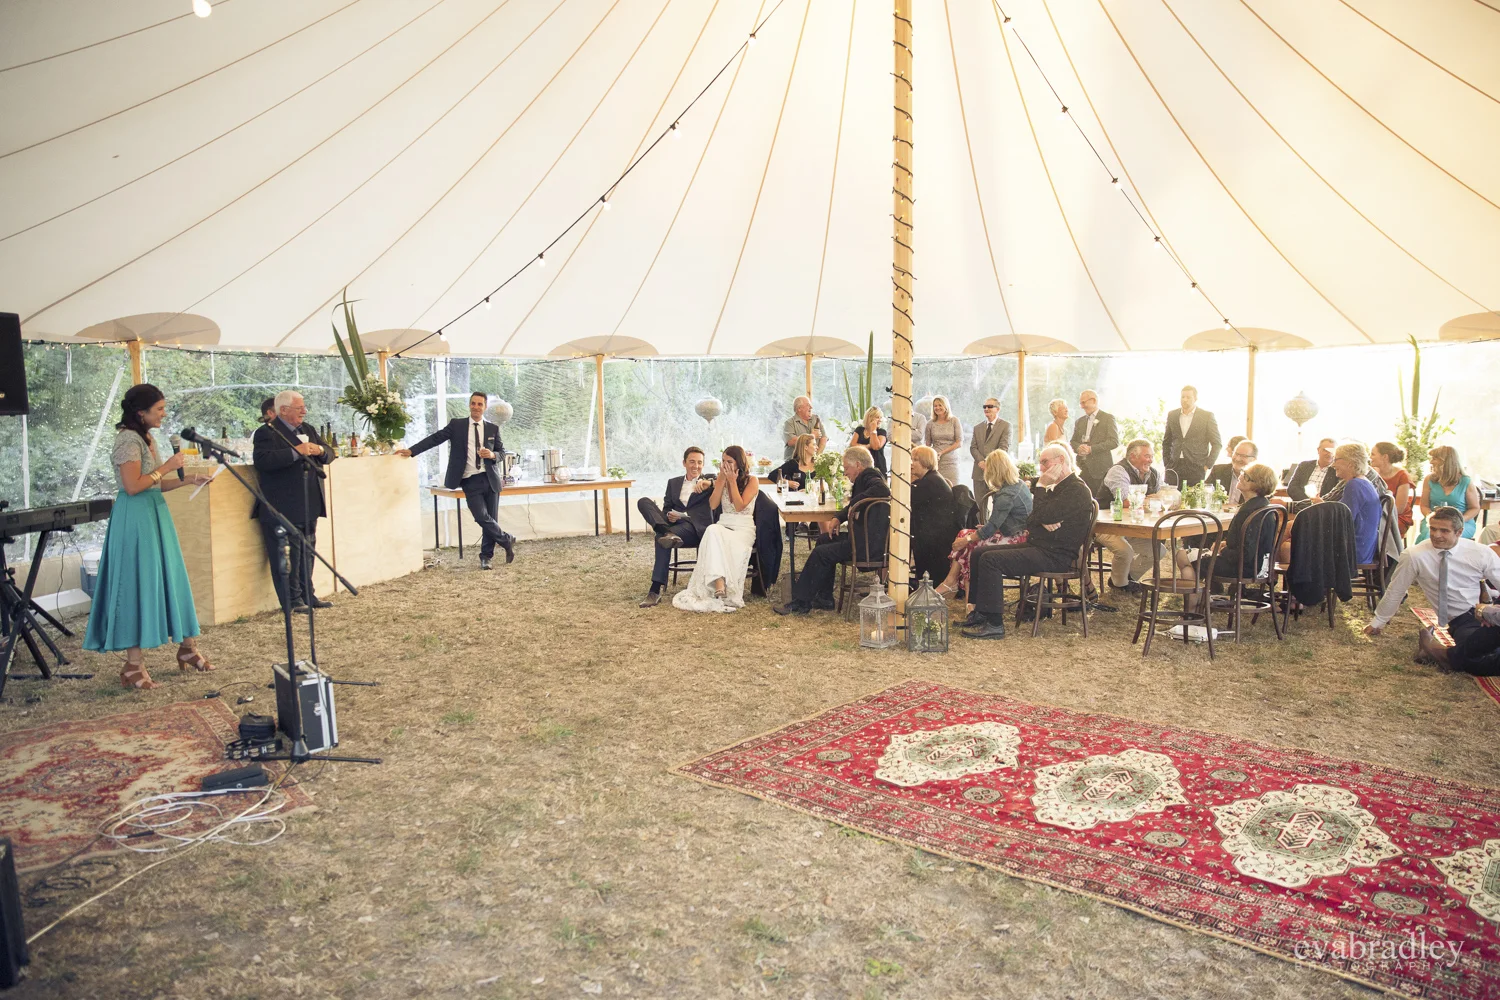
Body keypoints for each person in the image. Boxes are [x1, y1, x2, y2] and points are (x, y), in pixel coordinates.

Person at [84, 384, 215, 689]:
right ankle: (133, 666)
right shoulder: (127, 441)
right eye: (159, 409)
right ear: (140, 412)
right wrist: (168, 466)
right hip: (135, 518)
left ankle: (187, 648)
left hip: (155, 512)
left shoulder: (146, 437)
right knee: (137, 583)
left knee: (172, 576)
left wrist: (187, 481)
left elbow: (152, 484)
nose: (164, 413)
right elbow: (133, 486)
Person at [960, 444, 1095, 639]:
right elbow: (1031, 519)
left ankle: (995, 624)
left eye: (1045, 462)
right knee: (979, 552)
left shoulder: (1076, 489)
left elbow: (1039, 514)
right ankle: (980, 612)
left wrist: (1040, 488)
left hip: (1055, 555)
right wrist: (1042, 519)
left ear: (1061, 461)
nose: (1041, 468)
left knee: (991, 560)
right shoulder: (1058, 488)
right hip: (1039, 546)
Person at [1366, 507, 1500, 673]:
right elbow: (1396, 589)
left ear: (1459, 532)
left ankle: (1433, 650)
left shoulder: (1480, 552)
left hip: (1491, 612)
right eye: (1433, 529)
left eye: (1444, 531)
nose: (1436, 535)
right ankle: (1437, 650)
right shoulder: (1415, 555)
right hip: (1464, 619)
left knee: (1480, 655)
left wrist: (1493, 612)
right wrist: (1378, 621)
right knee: (1477, 659)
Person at [396, 391, 515, 569]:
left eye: (479, 404)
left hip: (490, 479)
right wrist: (413, 451)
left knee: (491, 519)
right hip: (469, 480)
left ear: (485, 407)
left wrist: (491, 454)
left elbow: (502, 453)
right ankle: (507, 540)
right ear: (469, 405)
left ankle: (486, 557)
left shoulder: (492, 428)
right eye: (473, 403)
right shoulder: (457, 425)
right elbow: (435, 439)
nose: (476, 407)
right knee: (481, 517)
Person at [774, 447, 889, 615]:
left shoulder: (871, 476)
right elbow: (854, 504)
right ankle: (825, 598)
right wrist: (839, 517)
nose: (845, 473)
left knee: (821, 553)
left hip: (866, 546)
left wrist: (855, 503)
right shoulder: (868, 477)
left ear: (858, 465)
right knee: (824, 538)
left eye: (847, 468)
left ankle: (801, 602)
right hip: (864, 540)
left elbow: (883, 490)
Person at [252, 390, 337, 611]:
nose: (305, 411)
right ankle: (292, 601)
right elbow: (263, 461)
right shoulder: (267, 433)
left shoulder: (307, 429)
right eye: (300, 408)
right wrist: (296, 451)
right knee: (288, 553)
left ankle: (309, 595)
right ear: (283, 410)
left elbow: (329, 453)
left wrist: (319, 449)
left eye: (304, 407)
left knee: (307, 550)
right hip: (281, 505)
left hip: (309, 500)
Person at [936, 448, 1032, 604]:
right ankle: (953, 583)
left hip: (1017, 540)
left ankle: (963, 595)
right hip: (1015, 533)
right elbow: (997, 524)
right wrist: (969, 536)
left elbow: (992, 527)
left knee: (970, 544)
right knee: (964, 534)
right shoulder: (1017, 484)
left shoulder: (1007, 494)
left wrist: (967, 539)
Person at [673, 446, 759, 613]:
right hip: (724, 524)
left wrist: (732, 482)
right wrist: (721, 481)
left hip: (743, 528)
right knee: (712, 530)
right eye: (723, 461)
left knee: (714, 532)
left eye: (729, 462)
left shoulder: (752, 481)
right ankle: (719, 582)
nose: (725, 465)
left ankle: (722, 583)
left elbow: (740, 506)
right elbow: (713, 505)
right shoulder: (721, 478)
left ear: (739, 463)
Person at [1173, 463, 1281, 588]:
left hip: (1243, 568)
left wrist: (1222, 550)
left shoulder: (1248, 511)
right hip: (1261, 565)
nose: (1240, 476)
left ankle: (1196, 604)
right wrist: (1226, 545)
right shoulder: (1264, 506)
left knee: (1182, 557)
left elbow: (1245, 553)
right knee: (1184, 554)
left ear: (1256, 484)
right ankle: (1203, 601)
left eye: (1245, 475)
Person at [635, 446, 716, 607]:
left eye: (700, 463)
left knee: (660, 538)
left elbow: (722, 481)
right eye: (692, 462)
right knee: (643, 501)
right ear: (684, 463)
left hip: (694, 527)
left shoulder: (709, 480)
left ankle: (655, 590)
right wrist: (669, 516)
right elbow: (666, 509)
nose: (696, 466)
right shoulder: (673, 483)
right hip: (674, 526)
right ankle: (666, 532)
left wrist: (708, 482)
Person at [1097, 439, 1167, 593]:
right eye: (1147, 456)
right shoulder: (1118, 470)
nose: (1150, 460)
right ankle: (1120, 585)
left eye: (1151, 456)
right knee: (1125, 551)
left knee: (1159, 550)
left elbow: (1166, 496)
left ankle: (1125, 578)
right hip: (1107, 525)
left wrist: (1158, 498)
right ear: (1132, 456)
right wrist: (1153, 498)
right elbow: (1126, 501)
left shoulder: (1154, 473)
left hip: (1133, 526)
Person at [1303, 442, 1380, 566]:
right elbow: (1342, 514)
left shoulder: (1355, 485)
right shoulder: (1363, 483)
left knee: (1291, 543)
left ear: (1350, 463)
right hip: (1362, 549)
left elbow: (1341, 521)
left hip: (1352, 550)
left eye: (1336, 459)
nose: (1333, 464)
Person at [909, 446, 960, 584]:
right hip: (934, 534)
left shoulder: (930, 482)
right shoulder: (930, 478)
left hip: (936, 539)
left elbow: (906, 500)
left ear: (926, 462)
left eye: (915, 460)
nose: (911, 463)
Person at [1415, 444, 1480, 543]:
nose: (1431, 461)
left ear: (1445, 461)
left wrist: (1460, 520)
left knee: (1449, 535)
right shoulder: (1429, 479)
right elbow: (1424, 506)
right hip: (1435, 521)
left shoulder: (1465, 481)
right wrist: (1431, 517)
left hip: (1461, 522)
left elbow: (1474, 508)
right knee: (1428, 536)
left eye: (1434, 458)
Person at [1160, 386, 1220, 487]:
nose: (1185, 400)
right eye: (1182, 397)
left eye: (1188, 397)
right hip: (1174, 466)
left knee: (1193, 499)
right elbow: (1167, 441)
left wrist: (1207, 465)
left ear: (1195, 399)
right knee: (1171, 498)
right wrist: (1167, 463)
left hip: (1196, 467)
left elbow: (1217, 443)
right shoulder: (1172, 415)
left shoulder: (1206, 416)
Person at [1069, 390, 1119, 496]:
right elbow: (1072, 442)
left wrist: (1091, 449)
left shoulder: (1107, 418)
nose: (1081, 406)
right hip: (1081, 469)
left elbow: (1114, 442)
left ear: (1093, 401)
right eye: (1080, 403)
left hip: (1099, 470)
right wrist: (1079, 447)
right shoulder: (1080, 421)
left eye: (1083, 402)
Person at [969, 397, 1011, 509]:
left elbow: (1003, 447)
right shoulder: (977, 428)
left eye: (990, 406)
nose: (986, 409)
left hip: (996, 472)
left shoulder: (1005, 426)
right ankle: (982, 526)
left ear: (997, 409)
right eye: (985, 407)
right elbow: (973, 447)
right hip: (979, 472)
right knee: (979, 506)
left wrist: (988, 462)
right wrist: (981, 461)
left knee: (999, 505)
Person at [1371, 441, 1415, 536]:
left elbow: (1399, 509)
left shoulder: (1402, 475)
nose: (1370, 457)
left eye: (1373, 454)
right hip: (1377, 513)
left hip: (1396, 516)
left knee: (1373, 527)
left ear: (1385, 457)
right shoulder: (1372, 473)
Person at [923, 395, 963, 485]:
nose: (937, 408)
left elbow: (959, 443)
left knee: (953, 488)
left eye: (940, 405)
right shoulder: (930, 423)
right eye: (935, 406)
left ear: (946, 406)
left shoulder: (954, 421)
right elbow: (927, 444)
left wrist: (942, 452)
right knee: (936, 488)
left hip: (951, 461)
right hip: (936, 462)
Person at [1209, 439, 1259, 504]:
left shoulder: (1258, 478)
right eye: (1236, 454)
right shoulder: (1218, 471)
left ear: (1253, 459)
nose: (1237, 459)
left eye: (1243, 456)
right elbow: (1204, 490)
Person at [782, 397, 827, 461]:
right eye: (808, 405)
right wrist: (812, 436)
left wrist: (816, 457)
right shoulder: (789, 423)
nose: (811, 407)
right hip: (794, 462)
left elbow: (824, 438)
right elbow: (791, 441)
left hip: (813, 462)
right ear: (799, 408)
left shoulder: (816, 419)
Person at [849, 406, 889, 477]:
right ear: (869, 417)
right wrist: (867, 446)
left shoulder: (881, 432)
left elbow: (875, 446)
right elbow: (852, 445)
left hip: (877, 466)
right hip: (860, 466)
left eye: (880, 417)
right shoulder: (859, 430)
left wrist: (873, 430)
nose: (880, 420)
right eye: (877, 417)